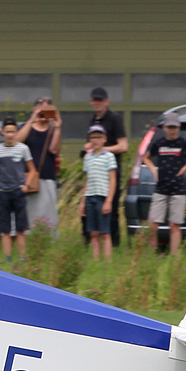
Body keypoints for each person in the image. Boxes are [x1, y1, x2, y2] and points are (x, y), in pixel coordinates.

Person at [139, 112, 186, 252]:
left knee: (174, 225)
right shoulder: (159, 144)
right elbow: (145, 157)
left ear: (178, 128)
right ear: (164, 127)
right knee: (153, 225)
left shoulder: (183, 144)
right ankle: (151, 255)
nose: (172, 130)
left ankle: (174, 256)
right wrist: (153, 169)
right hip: (160, 189)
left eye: (175, 127)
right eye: (169, 127)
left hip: (178, 189)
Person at [80, 87, 127, 247]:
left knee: (111, 209)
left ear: (107, 102)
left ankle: (113, 245)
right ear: (91, 101)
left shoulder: (114, 118)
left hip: (111, 170)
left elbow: (123, 146)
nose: (97, 103)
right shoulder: (93, 120)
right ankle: (90, 245)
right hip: (94, 171)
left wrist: (101, 150)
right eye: (95, 100)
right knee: (90, 210)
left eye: (100, 100)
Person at [0, 120, 38, 262]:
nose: (10, 134)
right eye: (7, 131)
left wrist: (26, 185)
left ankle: (22, 258)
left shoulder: (22, 149)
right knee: (5, 229)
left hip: (18, 191)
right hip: (3, 192)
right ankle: (7, 257)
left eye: (13, 131)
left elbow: (32, 170)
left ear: (16, 132)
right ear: (2, 132)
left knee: (21, 228)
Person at [17, 95, 62, 231]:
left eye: (47, 109)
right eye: (40, 109)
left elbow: (54, 150)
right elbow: (17, 142)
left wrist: (58, 127)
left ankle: (48, 243)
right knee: (30, 214)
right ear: (34, 109)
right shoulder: (28, 127)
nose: (43, 112)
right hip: (29, 179)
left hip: (47, 177)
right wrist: (32, 120)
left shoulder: (52, 130)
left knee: (48, 215)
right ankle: (30, 242)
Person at [79, 124, 118, 261]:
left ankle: (108, 262)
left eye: (98, 137)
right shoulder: (88, 158)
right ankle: (96, 261)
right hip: (90, 196)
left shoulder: (109, 156)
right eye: (93, 137)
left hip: (103, 197)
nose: (95, 140)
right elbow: (87, 180)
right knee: (93, 232)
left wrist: (108, 201)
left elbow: (113, 180)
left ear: (104, 139)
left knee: (105, 233)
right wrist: (83, 201)